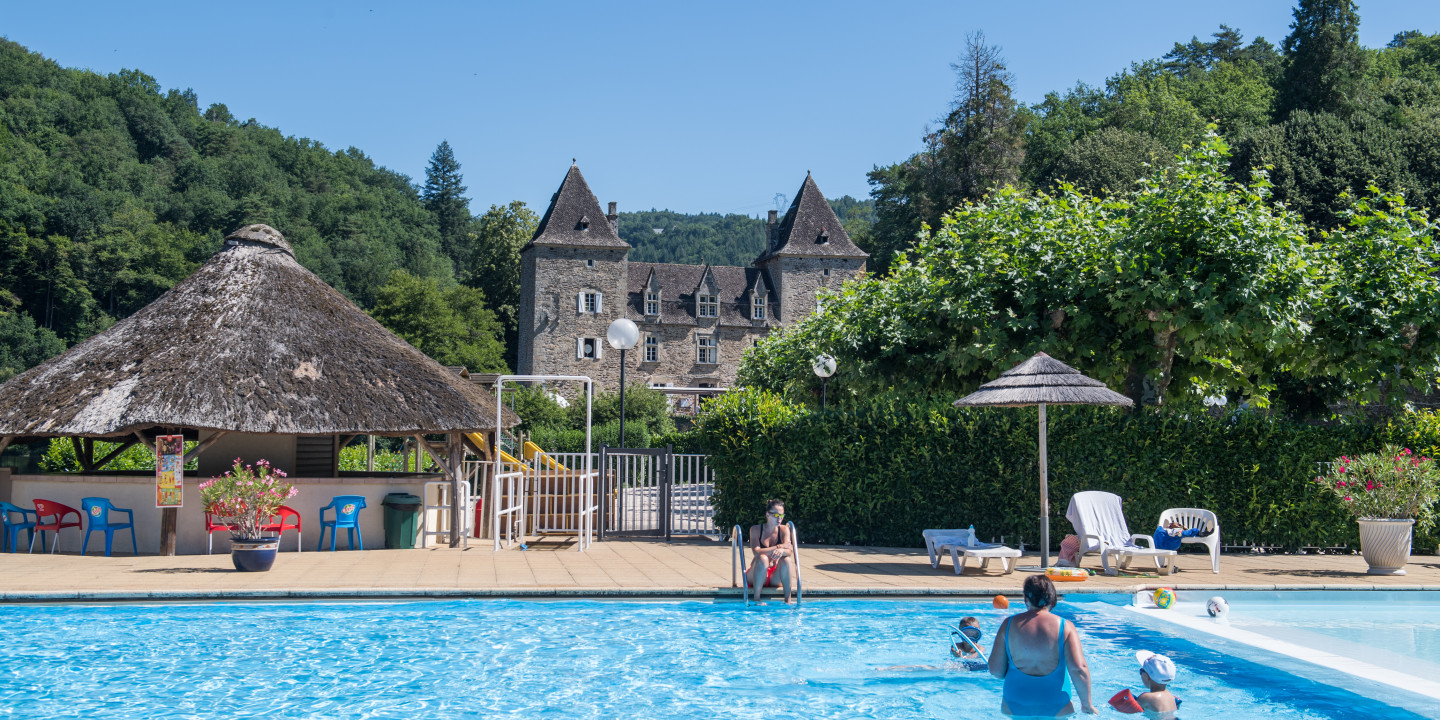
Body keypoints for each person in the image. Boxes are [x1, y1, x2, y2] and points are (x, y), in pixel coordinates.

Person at [989, 575, 1095, 716]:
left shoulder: (1008, 625)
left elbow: (996, 671)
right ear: (1052, 598)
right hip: (1057, 706)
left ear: (1026, 598)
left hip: (1015, 705)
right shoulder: (1065, 627)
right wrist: (1087, 705)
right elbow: (1079, 669)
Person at [748, 499, 794, 603]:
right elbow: (756, 552)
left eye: (782, 515)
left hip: (774, 576)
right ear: (767, 515)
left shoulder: (784, 529)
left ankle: (788, 600)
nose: (780, 518)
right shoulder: (755, 529)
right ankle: (757, 599)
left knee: (786, 560)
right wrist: (779, 547)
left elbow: (789, 552)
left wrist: (782, 551)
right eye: (776, 515)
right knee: (763, 558)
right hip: (757, 574)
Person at [1134, 651, 1180, 719]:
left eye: (1141, 671)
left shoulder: (1147, 697)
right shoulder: (1171, 697)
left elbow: (1127, 708)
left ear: (1146, 676)